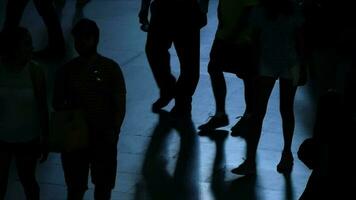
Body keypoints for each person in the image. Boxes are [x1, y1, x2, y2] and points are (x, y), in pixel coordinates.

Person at [52, 19, 126, 200]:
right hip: (83, 136)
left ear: (95, 39)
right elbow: (119, 103)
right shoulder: (108, 68)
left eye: (85, 38)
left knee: (96, 186)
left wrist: (114, 130)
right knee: (84, 187)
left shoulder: (107, 69)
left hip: (95, 136)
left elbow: (120, 103)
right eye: (78, 39)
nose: (80, 43)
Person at [232, 0, 306, 175]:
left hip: (267, 64)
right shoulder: (294, 9)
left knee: (258, 112)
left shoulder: (261, 10)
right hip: (289, 63)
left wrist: (254, 65)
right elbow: (301, 40)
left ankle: (250, 160)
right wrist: (303, 66)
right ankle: (286, 154)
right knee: (286, 110)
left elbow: (255, 40)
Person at [0, 27, 49, 200]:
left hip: (28, 138)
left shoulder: (35, 71)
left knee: (28, 180)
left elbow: (43, 107)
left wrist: (46, 137)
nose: (31, 48)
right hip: (3, 138)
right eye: (26, 44)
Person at [139, 0, 208, 117]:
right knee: (155, 50)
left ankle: (181, 99)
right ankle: (171, 90)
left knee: (188, 61)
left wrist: (202, 9)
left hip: (185, 9)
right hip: (169, 8)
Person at [197, 0, 259, 131]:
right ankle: (229, 115)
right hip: (227, 34)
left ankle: (245, 116)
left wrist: (234, 32)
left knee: (246, 75)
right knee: (216, 68)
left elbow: (250, 11)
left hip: (241, 37)